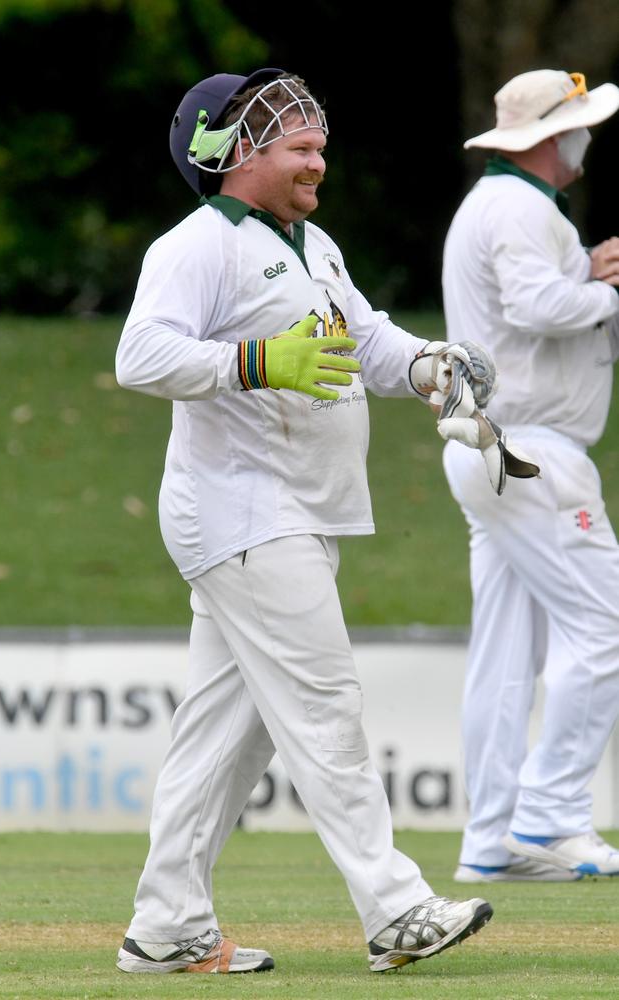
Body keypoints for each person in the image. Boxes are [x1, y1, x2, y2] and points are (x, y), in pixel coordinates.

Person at [113, 68, 496, 975]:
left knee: (222, 740)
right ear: (236, 155)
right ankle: (396, 908)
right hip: (243, 511)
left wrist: (432, 365)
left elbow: (365, 342)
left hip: (289, 512)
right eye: (298, 146)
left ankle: (166, 927)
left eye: (319, 142)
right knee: (327, 710)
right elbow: (139, 354)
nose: (319, 157)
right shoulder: (198, 243)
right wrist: (254, 360)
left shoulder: (311, 244)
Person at [441, 69, 619, 883]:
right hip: (532, 448)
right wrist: (602, 287)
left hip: (496, 445)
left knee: (506, 652)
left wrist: (586, 273)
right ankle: (548, 817)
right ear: (550, 138)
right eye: (579, 125)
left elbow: (543, 298)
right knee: (606, 627)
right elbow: (535, 307)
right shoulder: (517, 206)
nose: (588, 138)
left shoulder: (506, 205)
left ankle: (492, 842)